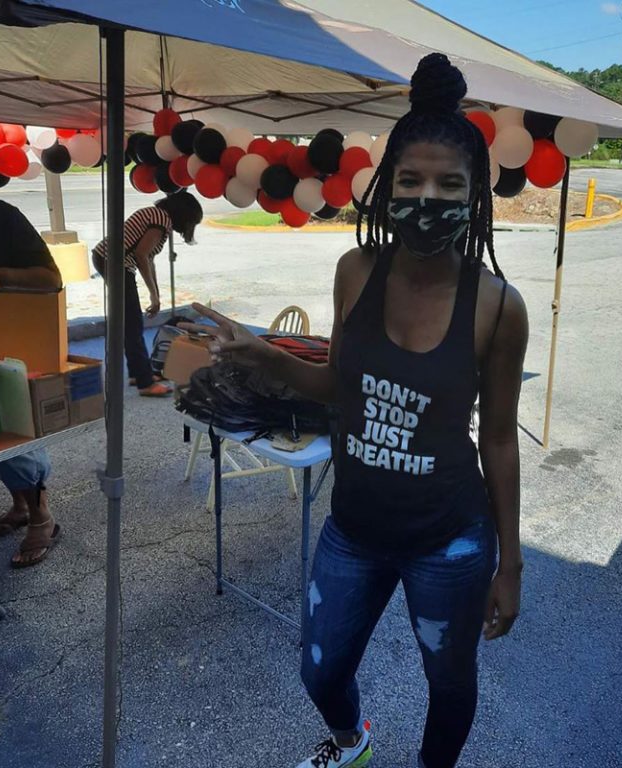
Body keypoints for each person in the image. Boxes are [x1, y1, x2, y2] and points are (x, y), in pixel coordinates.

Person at [183, 53, 528, 768]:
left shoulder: (497, 305)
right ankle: (352, 742)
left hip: (451, 540)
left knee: (449, 682)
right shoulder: (356, 271)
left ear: (475, 196)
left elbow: (498, 440)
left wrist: (511, 563)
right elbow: (338, 387)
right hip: (355, 530)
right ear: (386, 184)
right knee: (321, 671)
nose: (427, 197)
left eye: (449, 184)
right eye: (410, 180)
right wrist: (263, 356)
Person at [0, 197, 62, 568]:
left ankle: (41, 516)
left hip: (9, 344)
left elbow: (51, 279)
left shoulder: (2, 216)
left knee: (10, 432)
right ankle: (20, 507)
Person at [92, 191, 203, 397]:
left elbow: (148, 260)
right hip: (114, 262)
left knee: (131, 322)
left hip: (110, 259)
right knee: (132, 324)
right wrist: (153, 295)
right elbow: (141, 255)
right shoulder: (161, 220)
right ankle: (145, 383)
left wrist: (156, 295)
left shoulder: (157, 216)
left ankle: (138, 373)